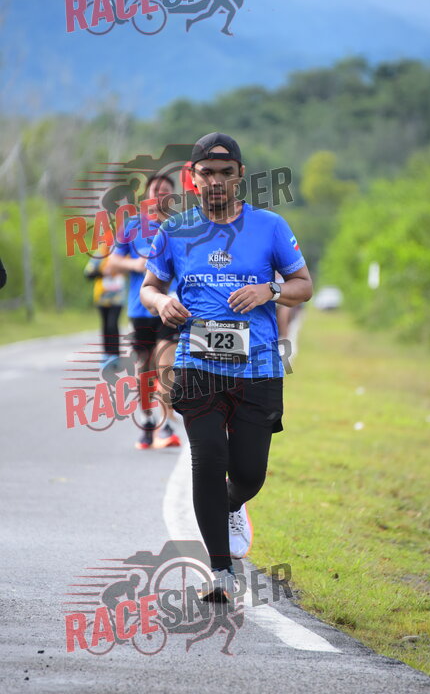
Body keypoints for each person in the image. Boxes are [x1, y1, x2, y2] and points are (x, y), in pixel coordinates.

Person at [140, 132, 313, 600]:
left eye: (225, 172)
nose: (216, 181)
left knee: (250, 472)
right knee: (208, 457)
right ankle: (220, 571)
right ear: (192, 178)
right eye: (207, 173)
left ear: (240, 176)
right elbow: (149, 286)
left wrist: (269, 290)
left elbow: (303, 284)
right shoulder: (176, 231)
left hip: (257, 366)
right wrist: (162, 303)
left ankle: (233, 504)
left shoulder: (270, 226)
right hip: (196, 363)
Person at [106, 174, 182, 451]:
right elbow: (112, 263)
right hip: (140, 308)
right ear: (147, 196)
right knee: (145, 368)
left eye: (166, 191)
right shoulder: (132, 227)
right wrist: (135, 265)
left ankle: (167, 423)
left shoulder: (181, 227)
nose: (160, 195)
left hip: (170, 307)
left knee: (165, 365)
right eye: (155, 190)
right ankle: (147, 419)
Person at [84, 235, 126, 366]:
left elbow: (129, 268)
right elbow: (88, 274)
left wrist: (116, 269)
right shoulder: (99, 256)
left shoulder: (121, 254)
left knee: (113, 324)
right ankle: (106, 354)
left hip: (117, 297)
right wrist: (103, 272)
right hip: (102, 298)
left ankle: (115, 354)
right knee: (105, 325)